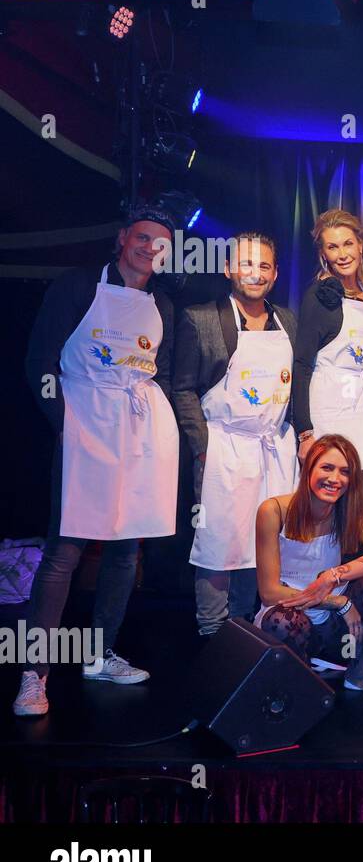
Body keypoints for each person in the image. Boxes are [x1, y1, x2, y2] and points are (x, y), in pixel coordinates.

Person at [14, 204, 180, 717]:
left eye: (160, 242)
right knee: (64, 552)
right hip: (84, 423)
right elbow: (40, 361)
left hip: (138, 431)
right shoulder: (78, 285)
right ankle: (33, 675)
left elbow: (163, 373)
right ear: (122, 238)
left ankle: (99, 653)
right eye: (142, 237)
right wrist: (65, 423)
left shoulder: (164, 305)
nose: (149, 247)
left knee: (125, 551)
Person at [174, 232, 298, 637]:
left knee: (263, 542)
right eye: (246, 264)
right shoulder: (201, 317)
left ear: (275, 274)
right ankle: (212, 632)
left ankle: (248, 630)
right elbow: (183, 388)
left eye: (264, 266)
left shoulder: (288, 320)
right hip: (224, 446)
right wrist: (203, 446)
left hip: (273, 447)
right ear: (229, 268)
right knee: (219, 542)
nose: (255, 273)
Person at [253, 434, 363, 696]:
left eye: (344, 472)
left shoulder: (350, 515)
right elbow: (269, 592)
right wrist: (338, 602)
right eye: (327, 468)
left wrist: (335, 575)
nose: (335, 479)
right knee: (281, 621)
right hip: (294, 616)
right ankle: (298, 683)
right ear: (309, 469)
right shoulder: (273, 511)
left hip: (338, 626)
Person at [292, 209, 363, 471]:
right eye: (333, 247)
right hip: (329, 409)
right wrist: (306, 433)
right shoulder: (318, 297)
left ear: (361, 246)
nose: (342, 255)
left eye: (348, 244)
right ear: (324, 255)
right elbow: (302, 365)